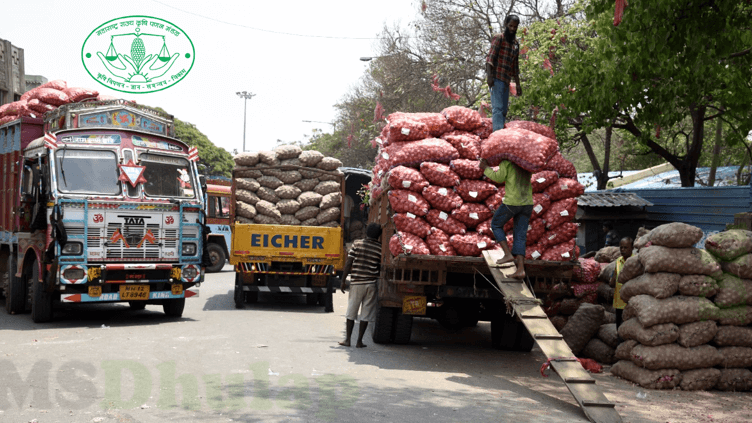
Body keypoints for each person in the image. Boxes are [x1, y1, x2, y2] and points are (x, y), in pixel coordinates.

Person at [479, 158, 532, 279]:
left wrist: (486, 168)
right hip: (528, 203)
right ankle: (520, 270)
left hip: (512, 202)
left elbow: (499, 178)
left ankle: (507, 254)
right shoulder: (526, 161)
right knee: (520, 235)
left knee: (496, 224)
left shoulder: (507, 162)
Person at [339, 223, 383, 348]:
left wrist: (343, 280)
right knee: (366, 313)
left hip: (357, 283)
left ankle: (348, 340)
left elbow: (348, 263)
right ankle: (359, 341)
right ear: (379, 235)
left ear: (366, 232)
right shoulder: (379, 248)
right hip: (371, 284)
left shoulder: (357, 244)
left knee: (351, 311)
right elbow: (379, 267)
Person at [486, 14, 523, 131]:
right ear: (506, 24)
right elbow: (490, 59)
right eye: (510, 26)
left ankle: (500, 133)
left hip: (506, 81)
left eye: (515, 27)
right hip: (496, 79)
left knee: (504, 110)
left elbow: (515, 67)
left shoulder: (515, 45)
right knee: (497, 108)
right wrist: (489, 77)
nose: (512, 29)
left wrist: (518, 84)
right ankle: (497, 136)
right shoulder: (499, 38)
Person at [610, 237, 634, 331]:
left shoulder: (635, 261)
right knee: (619, 329)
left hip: (629, 303)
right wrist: (612, 281)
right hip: (618, 302)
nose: (623, 250)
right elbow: (614, 277)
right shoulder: (618, 261)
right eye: (621, 248)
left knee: (627, 330)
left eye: (625, 247)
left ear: (631, 248)